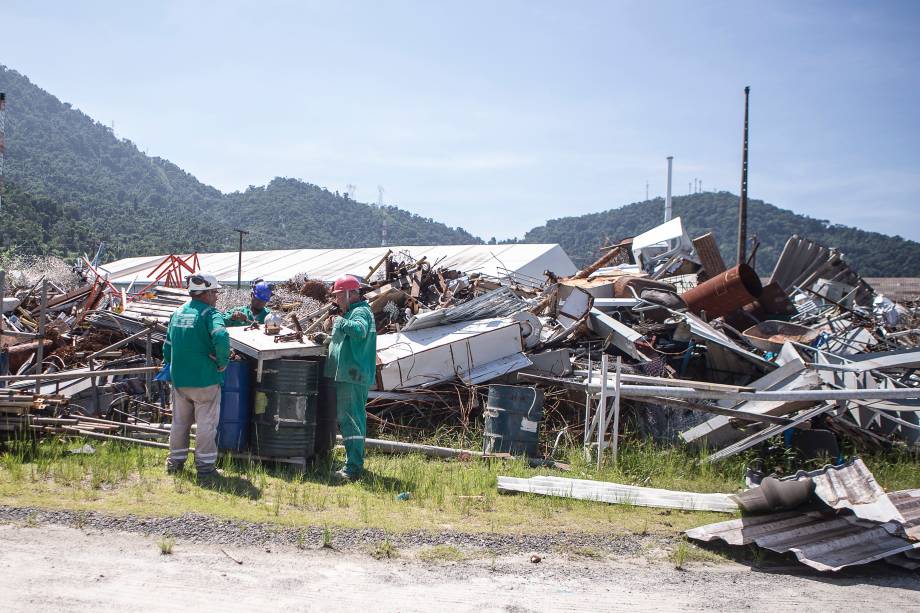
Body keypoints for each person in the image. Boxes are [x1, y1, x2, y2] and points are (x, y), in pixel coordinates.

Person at [162, 272, 230, 477]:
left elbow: (167, 345)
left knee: (180, 423)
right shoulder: (211, 314)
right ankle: (205, 467)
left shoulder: (177, 313)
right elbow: (221, 335)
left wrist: (170, 365)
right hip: (204, 379)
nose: (217, 296)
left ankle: (175, 463)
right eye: (215, 292)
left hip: (180, 380)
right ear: (206, 293)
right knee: (206, 425)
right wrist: (222, 362)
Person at [323, 274, 376, 482]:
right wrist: (327, 339)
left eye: (338, 296)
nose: (337, 300)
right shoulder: (353, 312)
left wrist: (339, 322)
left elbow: (360, 331)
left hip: (352, 375)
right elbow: (346, 340)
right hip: (349, 375)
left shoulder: (360, 311)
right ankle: (353, 462)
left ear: (350, 293)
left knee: (351, 421)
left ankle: (352, 468)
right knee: (351, 420)